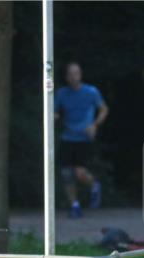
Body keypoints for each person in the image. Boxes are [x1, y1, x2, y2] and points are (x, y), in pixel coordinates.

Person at [54, 62, 108, 218]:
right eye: (70, 74)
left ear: (80, 75)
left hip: (84, 138)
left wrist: (95, 125)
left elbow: (104, 109)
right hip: (67, 137)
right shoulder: (62, 93)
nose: (73, 77)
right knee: (65, 174)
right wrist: (54, 116)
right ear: (66, 77)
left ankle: (94, 185)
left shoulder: (91, 92)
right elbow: (56, 111)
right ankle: (74, 205)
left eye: (76, 74)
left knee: (79, 172)